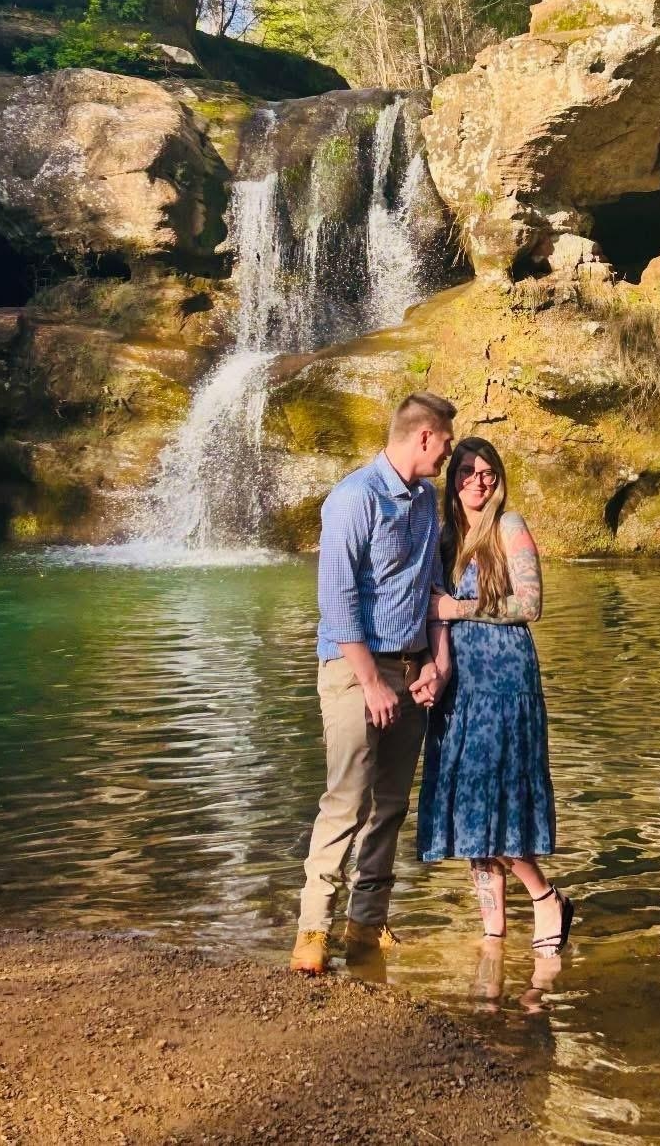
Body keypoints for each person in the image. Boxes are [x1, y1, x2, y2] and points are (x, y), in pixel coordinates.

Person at [290, 391, 457, 976]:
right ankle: (313, 928)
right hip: (353, 670)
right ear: (424, 438)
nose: (447, 456)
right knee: (347, 798)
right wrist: (371, 682)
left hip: (410, 669)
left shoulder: (426, 500)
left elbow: (435, 588)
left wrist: (437, 664)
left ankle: (366, 924)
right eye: (446, 443)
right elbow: (336, 603)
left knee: (389, 804)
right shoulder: (352, 499)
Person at [417, 436, 573, 955]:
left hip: (506, 682)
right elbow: (430, 611)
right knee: (468, 803)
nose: (478, 481)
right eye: (466, 471)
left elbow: (530, 605)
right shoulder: (444, 537)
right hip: (461, 684)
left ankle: (545, 896)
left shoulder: (510, 526)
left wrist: (457, 610)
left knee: (497, 801)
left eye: (487, 472)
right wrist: (434, 669)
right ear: (452, 478)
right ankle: (493, 932)